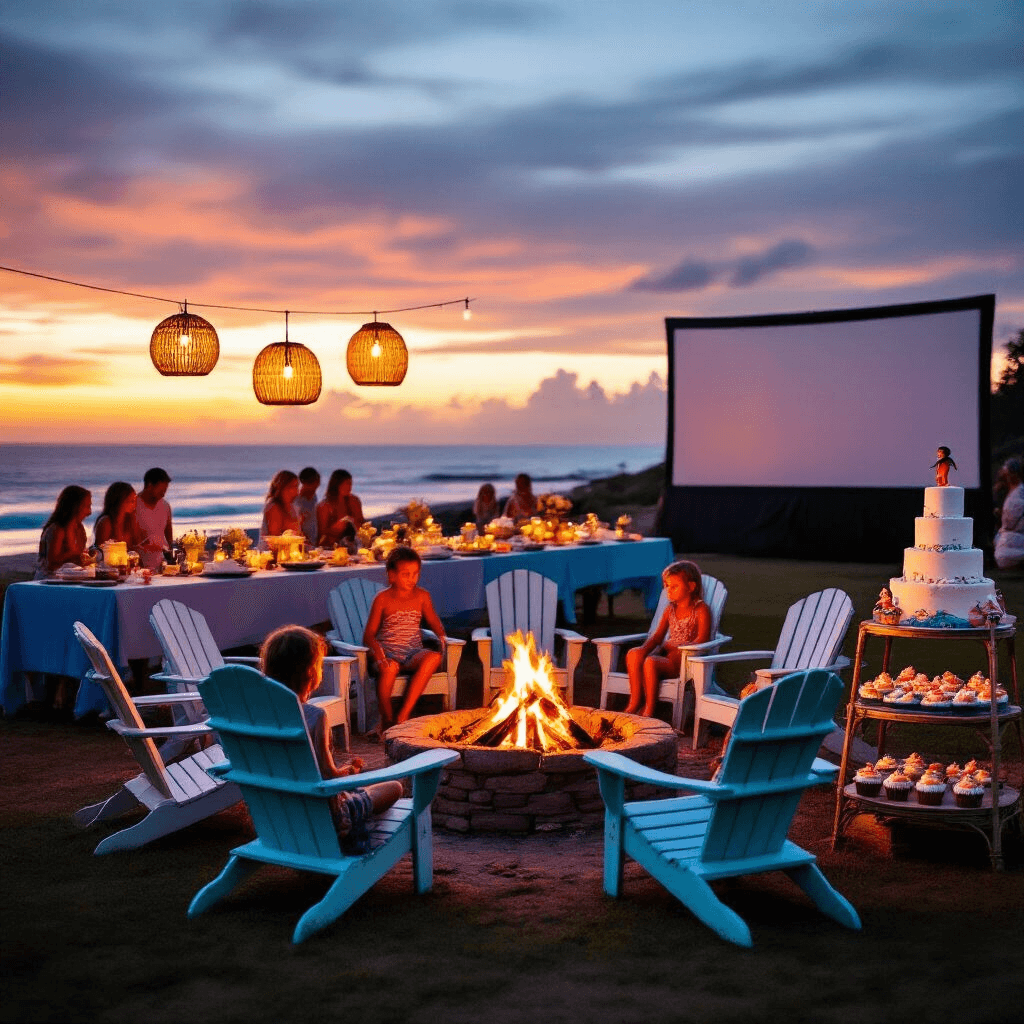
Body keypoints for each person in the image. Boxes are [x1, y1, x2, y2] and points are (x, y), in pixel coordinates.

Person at [260, 625, 402, 853]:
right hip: (325, 816)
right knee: (393, 787)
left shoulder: (257, 717)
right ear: (310, 673)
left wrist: (343, 772)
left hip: (278, 816)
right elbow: (328, 778)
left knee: (359, 788)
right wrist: (346, 776)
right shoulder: (314, 716)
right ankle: (350, 818)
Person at [363, 546, 447, 735]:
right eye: (406, 574)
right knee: (390, 668)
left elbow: (432, 619)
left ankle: (403, 715)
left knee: (434, 657)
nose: (412, 579)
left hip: (412, 653)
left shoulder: (422, 596)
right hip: (388, 654)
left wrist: (441, 635)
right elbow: (368, 635)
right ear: (391, 576)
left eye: (415, 574)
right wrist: (379, 655)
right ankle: (387, 718)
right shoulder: (382, 599)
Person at [623, 560, 711, 718]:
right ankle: (635, 702)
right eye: (667, 586)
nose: (669, 591)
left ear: (691, 587)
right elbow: (657, 637)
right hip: (667, 658)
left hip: (685, 664)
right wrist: (643, 649)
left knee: (650, 662)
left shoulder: (700, 609)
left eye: (674, 586)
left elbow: (703, 639)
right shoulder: (670, 610)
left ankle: (649, 710)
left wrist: (680, 645)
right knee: (633, 654)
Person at [34, 485, 93, 579]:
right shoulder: (56, 530)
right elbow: (51, 564)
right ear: (74, 506)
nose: (89, 512)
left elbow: (79, 559)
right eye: (86, 506)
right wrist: (73, 553)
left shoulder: (79, 529)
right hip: (50, 580)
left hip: (70, 578)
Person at [134, 467, 173, 571]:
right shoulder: (133, 505)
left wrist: (170, 556)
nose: (163, 494)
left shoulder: (165, 506)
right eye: (161, 490)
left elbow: (168, 532)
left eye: (165, 490)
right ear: (150, 485)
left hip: (162, 564)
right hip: (140, 566)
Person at [317, 469, 365, 550]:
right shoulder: (324, 505)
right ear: (337, 484)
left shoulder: (354, 501)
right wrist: (335, 528)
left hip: (353, 544)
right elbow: (321, 535)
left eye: (350, 484)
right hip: (331, 547)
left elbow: (362, 524)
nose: (349, 487)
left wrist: (353, 522)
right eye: (347, 484)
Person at [93, 481, 143, 551]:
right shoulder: (106, 522)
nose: (134, 505)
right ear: (119, 501)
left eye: (135, 501)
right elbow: (99, 550)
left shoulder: (130, 519)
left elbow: (136, 546)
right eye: (131, 501)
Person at [994, 456, 1024, 570]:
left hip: (1016, 535)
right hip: (1008, 533)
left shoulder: (1019, 494)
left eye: (1008, 473)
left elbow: (1010, 523)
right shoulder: (1005, 490)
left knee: (1003, 556)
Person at [260, 470, 302, 541]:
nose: (297, 490)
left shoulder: (293, 506)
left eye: (297, 486)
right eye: (294, 486)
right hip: (274, 550)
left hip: (292, 549)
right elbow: (274, 539)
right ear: (283, 487)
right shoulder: (274, 507)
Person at [294, 467, 321, 546]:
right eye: (315, 484)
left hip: (313, 540)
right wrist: (306, 541)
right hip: (304, 543)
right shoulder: (297, 500)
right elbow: (297, 525)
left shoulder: (313, 496)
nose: (317, 486)